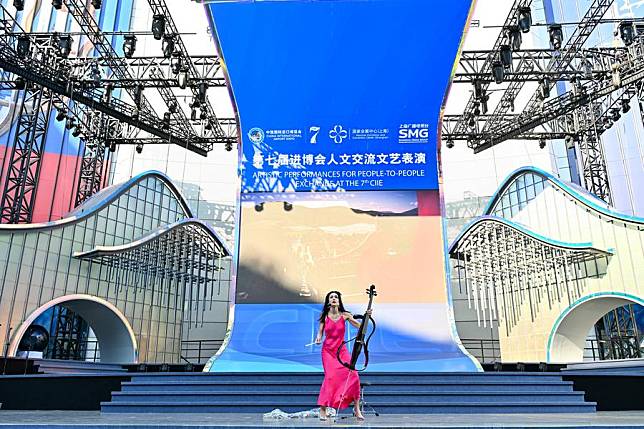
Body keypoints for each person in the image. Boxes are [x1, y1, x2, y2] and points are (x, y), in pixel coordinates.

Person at [315, 290, 372, 421]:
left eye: (336, 297)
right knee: (329, 378)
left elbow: (361, 327)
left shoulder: (345, 315)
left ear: (339, 301)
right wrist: (318, 339)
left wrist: (366, 317)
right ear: (328, 301)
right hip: (328, 351)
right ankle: (323, 409)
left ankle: (356, 409)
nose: (334, 299)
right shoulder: (324, 316)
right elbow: (320, 333)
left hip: (342, 351)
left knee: (354, 375)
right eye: (331, 297)